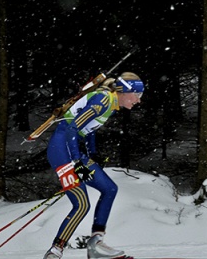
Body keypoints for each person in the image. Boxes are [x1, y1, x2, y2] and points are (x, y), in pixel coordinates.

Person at [43, 72, 144, 259]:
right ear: (126, 91)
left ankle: (95, 244)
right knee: (81, 204)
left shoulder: (112, 105)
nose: (138, 101)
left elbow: (88, 130)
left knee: (109, 189)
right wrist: (77, 161)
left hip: (72, 152)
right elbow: (73, 127)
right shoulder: (103, 101)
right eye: (138, 95)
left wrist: (93, 154)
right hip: (62, 152)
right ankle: (55, 252)